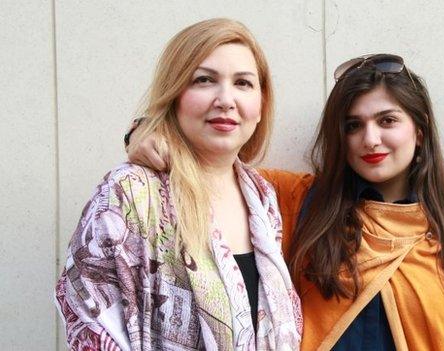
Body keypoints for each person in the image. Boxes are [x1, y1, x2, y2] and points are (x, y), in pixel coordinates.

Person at [128, 54, 444, 350]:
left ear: (420, 129)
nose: (370, 139)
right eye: (353, 125)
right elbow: (212, 162)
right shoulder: (299, 199)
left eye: (387, 121)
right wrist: (144, 132)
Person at [55, 19, 302, 351]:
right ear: (174, 95)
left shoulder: (263, 197)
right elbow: (88, 320)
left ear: (261, 105)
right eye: (204, 80)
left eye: (243, 83)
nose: (226, 99)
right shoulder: (129, 193)